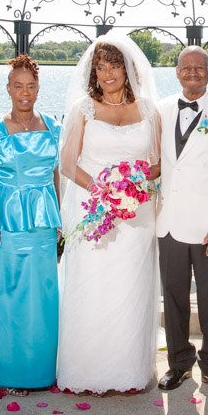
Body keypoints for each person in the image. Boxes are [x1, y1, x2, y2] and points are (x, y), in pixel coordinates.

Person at [57, 34, 161, 394]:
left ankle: (128, 371)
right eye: (101, 67)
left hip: (137, 216)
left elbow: (159, 163)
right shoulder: (83, 110)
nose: (108, 74)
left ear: (128, 69)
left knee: (131, 289)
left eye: (114, 66)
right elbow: (68, 164)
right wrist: (105, 190)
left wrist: (132, 183)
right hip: (93, 211)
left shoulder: (148, 110)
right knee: (93, 286)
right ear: (94, 73)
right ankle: (87, 370)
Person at [156, 46, 208, 397]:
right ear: (177, 72)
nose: (192, 72)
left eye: (199, 67)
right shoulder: (159, 111)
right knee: (173, 298)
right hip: (169, 224)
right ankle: (178, 364)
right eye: (185, 67)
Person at [0, 55, 61, 395]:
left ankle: (39, 370)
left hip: (41, 222)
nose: (25, 92)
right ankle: (7, 372)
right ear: (8, 88)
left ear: (38, 88)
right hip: (7, 220)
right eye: (18, 85)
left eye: (31, 85)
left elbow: (55, 173)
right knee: (4, 294)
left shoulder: (53, 126)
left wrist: (57, 218)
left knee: (40, 296)